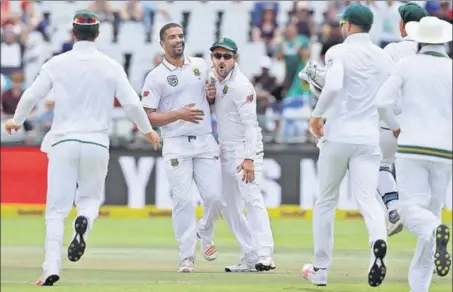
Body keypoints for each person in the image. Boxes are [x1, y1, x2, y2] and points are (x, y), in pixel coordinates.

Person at [4, 10, 160, 286]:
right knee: (88, 200)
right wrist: (147, 131)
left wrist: (16, 121)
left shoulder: (57, 63)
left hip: (63, 140)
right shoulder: (111, 65)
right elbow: (132, 104)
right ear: (98, 34)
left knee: (56, 210)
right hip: (97, 142)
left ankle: (51, 268)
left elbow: (31, 94)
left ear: (73, 34)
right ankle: (84, 224)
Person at [300, 4, 395, 287]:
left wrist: (317, 117)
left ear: (349, 26)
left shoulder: (338, 52)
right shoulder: (382, 57)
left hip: (339, 135)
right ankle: (377, 242)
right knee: (368, 200)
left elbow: (333, 86)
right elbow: (389, 98)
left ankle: (320, 270)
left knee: (326, 201)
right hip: (368, 137)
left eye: (343, 24)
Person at [141, 23, 225, 273]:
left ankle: (205, 233)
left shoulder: (199, 65)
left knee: (214, 197)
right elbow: (147, 117)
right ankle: (186, 256)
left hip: (204, 139)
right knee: (183, 201)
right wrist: (178, 114)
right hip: (176, 144)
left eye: (180, 35)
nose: (178, 40)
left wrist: (211, 96)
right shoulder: (156, 76)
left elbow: (212, 100)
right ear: (162, 43)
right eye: (172, 37)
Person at [376, 16, 452, 292]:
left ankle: (434, 232)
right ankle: (419, 288)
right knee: (432, 211)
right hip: (445, 151)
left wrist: (395, 126)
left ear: (419, 39)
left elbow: (381, 101)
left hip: (411, 145)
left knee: (409, 211)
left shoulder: (406, 65)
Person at [205, 37, 276, 272]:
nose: (222, 60)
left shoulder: (242, 86)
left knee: (252, 199)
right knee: (229, 206)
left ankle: (266, 254)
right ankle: (250, 254)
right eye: (218, 56)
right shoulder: (212, 77)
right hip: (224, 149)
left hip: (244, 149)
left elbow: (251, 127)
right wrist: (210, 97)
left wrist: (249, 158)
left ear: (235, 59)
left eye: (227, 56)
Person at [378, 2, 429, 237]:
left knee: (380, 165)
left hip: (391, 122)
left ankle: (392, 207)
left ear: (404, 25)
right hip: (422, 126)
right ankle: (429, 230)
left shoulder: (392, 50)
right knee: (420, 187)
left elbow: (379, 88)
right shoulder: (433, 53)